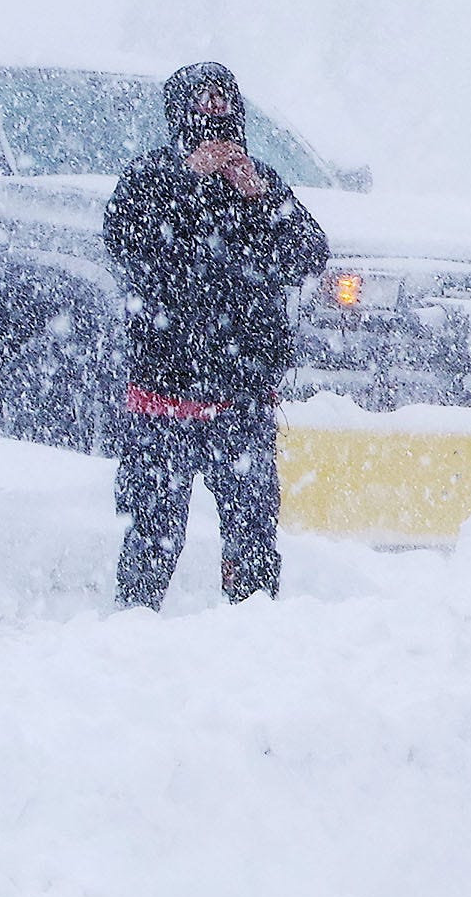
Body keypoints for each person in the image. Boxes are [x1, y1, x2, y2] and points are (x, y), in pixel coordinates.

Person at [102, 62, 330, 609]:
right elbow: (131, 249)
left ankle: (251, 626)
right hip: (164, 393)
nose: (218, 136)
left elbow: (311, 253)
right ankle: (134, 622)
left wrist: (258, 201)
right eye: (204, 116)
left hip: (243, 396)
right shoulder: (148, 179)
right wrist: (187, 181)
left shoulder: (263, 186)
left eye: (227, 116)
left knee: (252, 527)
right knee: (154, 527)